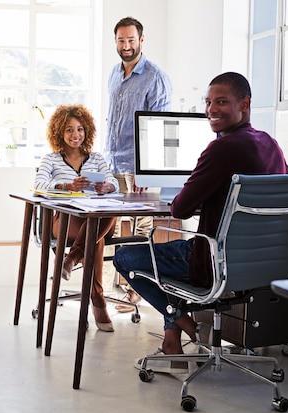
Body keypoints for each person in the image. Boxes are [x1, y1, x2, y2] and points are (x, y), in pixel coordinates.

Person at [113, 72, 288, 373]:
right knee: (171, 258)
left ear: (244, 104)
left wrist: (198, 187)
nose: (211, 110)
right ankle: (172, 341)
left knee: (126, 256)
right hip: (261, 263)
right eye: (208, 102)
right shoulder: (270, 143)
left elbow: (181, 209)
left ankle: (183, 320)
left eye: (221, 102)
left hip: (215, 262)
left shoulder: (221, 148)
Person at [105, 17, 173, 312]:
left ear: (141, 41)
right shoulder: (113, 74)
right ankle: (123, 282)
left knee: (141, 225)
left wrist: (149, 167)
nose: (126, 46)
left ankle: (139, 290)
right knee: (116, 224)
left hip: (138, 164)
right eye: (121, 41)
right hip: (114, 159)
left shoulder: (155, 77)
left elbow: (161, 125)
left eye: (131, 40)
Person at [35, 104, 120, 332]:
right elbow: (39, 185)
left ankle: (71, 258)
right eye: (70, 130)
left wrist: (107, 186)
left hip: (100, 218)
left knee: (102, 215)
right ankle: (97, 299)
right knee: (95, 237)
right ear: (59, 133)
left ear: (87, 131)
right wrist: (66, 185)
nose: (76, 135)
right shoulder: (51, 160)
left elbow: (115, 183)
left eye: (80, 129)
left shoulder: (98, 158)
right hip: (65, 221)